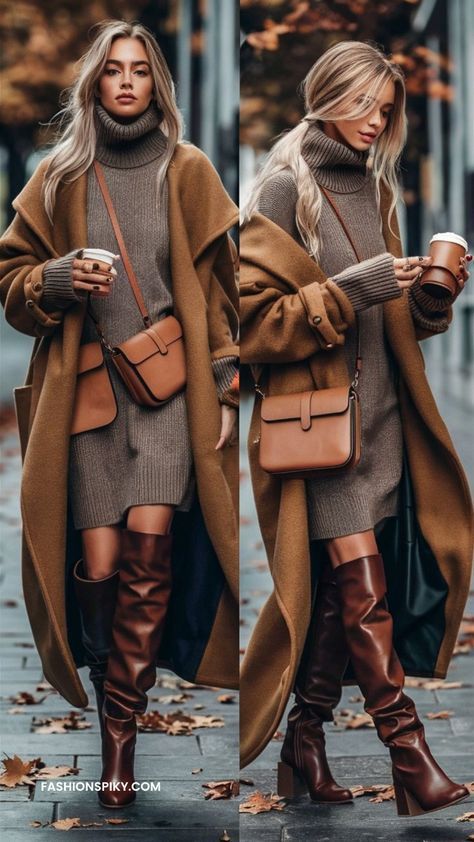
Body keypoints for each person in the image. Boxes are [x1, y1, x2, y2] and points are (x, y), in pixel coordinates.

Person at [0, 20, 239, 808]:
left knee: (147, 561)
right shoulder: (59, 177)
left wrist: (228, 387)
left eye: (140, 69)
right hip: (89, 402)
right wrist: (57, 278)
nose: (127, 82)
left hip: (170, 400)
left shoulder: (189, 168)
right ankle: (113, 699)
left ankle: (120, 744)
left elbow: (225, 292)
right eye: (114, 71)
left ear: (155, 83)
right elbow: (12, 283)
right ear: (94, 84)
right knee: (99, 570)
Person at [239, 40, 472, 816]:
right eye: (366, 103)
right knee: (364, 594)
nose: (378, 119)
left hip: (382, 428)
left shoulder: (379, 194)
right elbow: (253, 328)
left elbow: (394, 327)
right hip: (319, 434)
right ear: (326, 95)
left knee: (347, 602)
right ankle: (411, 760)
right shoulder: (279, 193)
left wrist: (433, 301)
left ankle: (304, 740)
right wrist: (349, 290)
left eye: (387, 107)